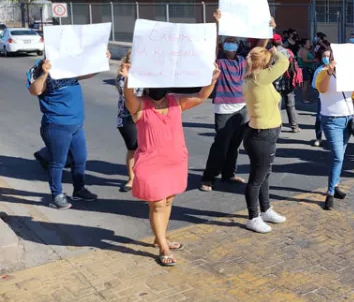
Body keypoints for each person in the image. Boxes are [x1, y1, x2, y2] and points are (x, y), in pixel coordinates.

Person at [121, 62, 220, 265]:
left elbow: (202, 96)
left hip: (175, 161)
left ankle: (161, 237)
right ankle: (163, 248)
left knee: (167, 202)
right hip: (151, 163)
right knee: (157, 205)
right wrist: (129, 78)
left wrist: (212, 80)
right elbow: (129, 96)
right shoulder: (139, 105)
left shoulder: (176, 101)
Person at [27, 52, 111, 209]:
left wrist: (102, 60)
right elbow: (35, 90)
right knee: (57, 162)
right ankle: (56, 195)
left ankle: (79, 190)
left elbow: (84, 75)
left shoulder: (65, 65)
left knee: (80, 159)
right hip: (56, 126)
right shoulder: (37, 69)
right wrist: (45, 73)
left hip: (76, 125)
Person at [242, 43, 290, 233]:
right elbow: (284, 62)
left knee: (264, 174)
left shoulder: (255, 78)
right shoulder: (260, 78)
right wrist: (276, 52)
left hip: (264, 133)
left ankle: (266, 209)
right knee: (256, 178)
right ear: (263, 64)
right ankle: (253, 217)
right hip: (262, 134)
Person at [200, 13, 251, 192]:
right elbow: (212, 47)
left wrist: (269, 29)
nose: (231, 46)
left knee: (235, 145)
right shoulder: (218, 62)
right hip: (223, 109)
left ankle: (229, 174)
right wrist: (217, 23)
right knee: (220, 146)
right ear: (223, 45)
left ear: (238, 46)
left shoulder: (242, 61)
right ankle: (208, 177)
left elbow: (260, 49)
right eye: (227, 43)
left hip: (241, 109)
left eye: (234, 43)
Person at [316, 52, 354, 210]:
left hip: (347, 119)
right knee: (337, 157)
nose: (332, 59)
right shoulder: (321, 72)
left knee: (340, 156)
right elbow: (322, 89)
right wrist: (329, 71)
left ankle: (335, 185)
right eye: (329, 57)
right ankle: (330, 193)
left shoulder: (347, 74)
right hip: (331, 120)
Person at [115, 51, 141, 193]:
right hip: (127, 117)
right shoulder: (123, 76)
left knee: (146, 149)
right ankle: (132, 178)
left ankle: (144, 177)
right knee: (133, 148)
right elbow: (127, 93)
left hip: (144, 116)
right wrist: (128, 75)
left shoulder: (146, 73)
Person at [272, 34, 301, 133]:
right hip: (289, 81)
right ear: (280, 41)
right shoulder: (288, 52)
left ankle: (277, 126)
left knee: (277, 105)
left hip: (275, 82)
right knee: (290, 105)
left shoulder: (270, 53)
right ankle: (294, 126)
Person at [311, 47, 331, 147]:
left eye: (328, 56)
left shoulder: (336, 69)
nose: (326, 58)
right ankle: (318, 138)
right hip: (322, 98)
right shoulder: (319, 70)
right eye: (324, 56)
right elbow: (314, 84)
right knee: (319, 118)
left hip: (334, 99)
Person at [297, 38, 316, 103]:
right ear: (304, 44)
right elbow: (305, 60)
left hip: (307, 68)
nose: (309, 44)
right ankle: (304, 99)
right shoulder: (303, 50)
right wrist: (314, 60)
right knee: (305, 84)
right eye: (308, 43)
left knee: (307, 84)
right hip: (304, 68)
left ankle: (306, 98)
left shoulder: (306, 50)